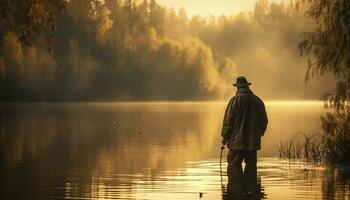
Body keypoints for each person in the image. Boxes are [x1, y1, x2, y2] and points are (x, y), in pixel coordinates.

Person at [221, 76, 268, 186]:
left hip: (236, 144)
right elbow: (264, 121)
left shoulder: (234, 101)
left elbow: (228, 122)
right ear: (247, 86)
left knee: (233, 167)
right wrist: (258, 135)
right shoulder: (258, 101)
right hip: (252, 143)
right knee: (251, 167)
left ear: (237, 87)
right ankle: (252, 192)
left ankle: (236, 189)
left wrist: (224, 138)